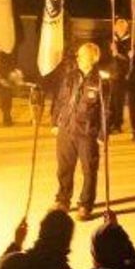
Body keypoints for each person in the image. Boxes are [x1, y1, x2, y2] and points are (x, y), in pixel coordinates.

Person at [53, 43, 104, 221]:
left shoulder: (100, 81)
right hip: (66, 128)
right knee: (64, 167)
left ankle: (85, 204)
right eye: (78, 55)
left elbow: (106, 109)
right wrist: (55, 122)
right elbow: (60, 99)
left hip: (87, 131)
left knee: (89, 169)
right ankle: (63, 199)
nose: (78, 58)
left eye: (82, 55)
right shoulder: (70, 76)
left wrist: (102, 134)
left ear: (93, 58)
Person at [107, 18, 132, 134]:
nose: (120, 28)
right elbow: (105, 56)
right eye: (118, 25)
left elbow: (128, 59)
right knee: (110, 100)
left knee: (118, 100)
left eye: (123, 26)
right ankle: (109, 122)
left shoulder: (129, 41)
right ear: (115, 27)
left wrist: (117, 54)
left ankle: (118, 124)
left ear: (126, 28)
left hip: (121, 74)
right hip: (110, 73)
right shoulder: (111, 39)